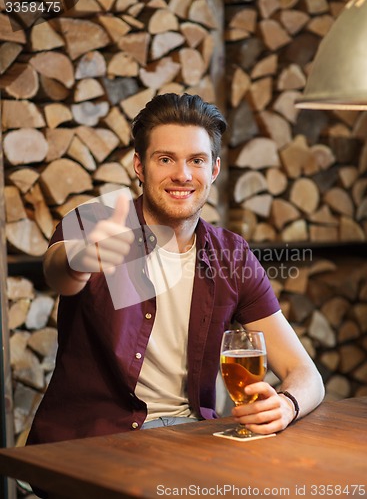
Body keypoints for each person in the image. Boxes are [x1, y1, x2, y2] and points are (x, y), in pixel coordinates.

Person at [27, 93, 324, 449]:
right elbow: (57, 271)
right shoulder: (97, 223)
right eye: (165, 159)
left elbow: (306, 374)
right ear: (140, 166)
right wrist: (83, 259)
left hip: (192, 436)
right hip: (94, 440)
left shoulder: (231, 255)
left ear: (213, 170)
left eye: (196, 160)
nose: (182, 175)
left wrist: (286, 405)